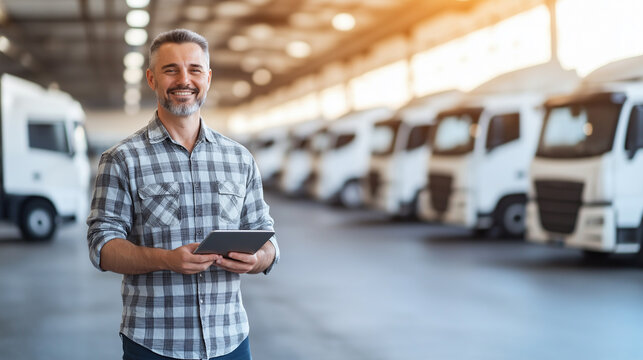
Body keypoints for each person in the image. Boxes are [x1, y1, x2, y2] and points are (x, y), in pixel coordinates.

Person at [86, 29, 279, 360]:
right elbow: (101, 247)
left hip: (229, 340)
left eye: (194, 69)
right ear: (151, 78)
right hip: (155, 344)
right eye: (170, 69)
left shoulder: (239, 158)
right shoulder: (122, 159)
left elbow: (267, 239)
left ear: (208, 77)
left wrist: (258, 259)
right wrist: (166, 260)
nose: (184, 80)